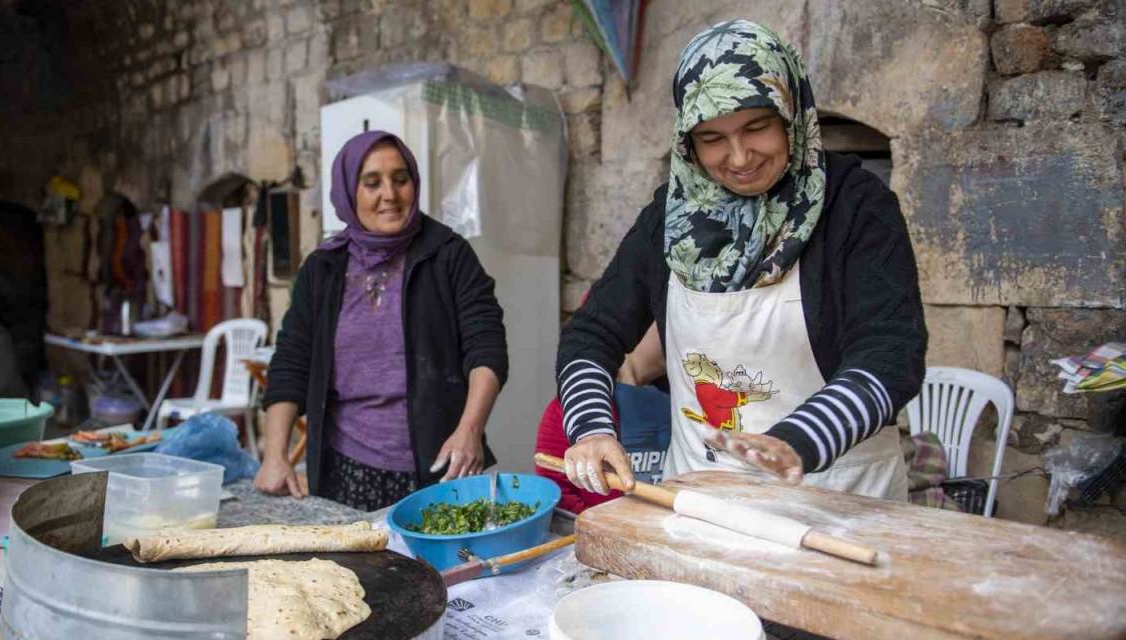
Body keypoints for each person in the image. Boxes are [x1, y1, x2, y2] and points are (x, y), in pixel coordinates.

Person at [556, 20, 927, 501]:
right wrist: (591, 429)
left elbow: (891, 353)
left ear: (789, 114)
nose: (738, 156)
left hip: (839, 495)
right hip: (702, 496)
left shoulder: (856, 207)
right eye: (712, 138)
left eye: (756, 127)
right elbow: (591, 335)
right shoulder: (668, 219)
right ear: (688, 142)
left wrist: (798, 440)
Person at [255, 130, 509, 511]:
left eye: (400, 179)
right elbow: (292, 360)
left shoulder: (449, 256)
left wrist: (469, 431)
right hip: (344, 472)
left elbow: (486, 347)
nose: (389, 194)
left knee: (440, 571)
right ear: (348, 191)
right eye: (372, 182)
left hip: (439, 468)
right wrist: (275, 454)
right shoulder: (323, 269)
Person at [535, 324, 670, 514]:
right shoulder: (575, 406)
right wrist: (598, 526)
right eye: (662, 324)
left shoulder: (684, 399)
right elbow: (554, 485)